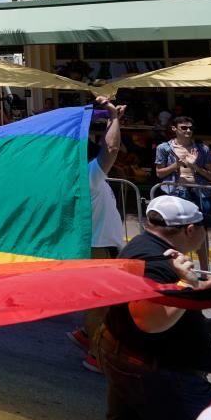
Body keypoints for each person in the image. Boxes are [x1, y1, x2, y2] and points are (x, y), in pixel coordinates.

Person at [83, 195, 211, 420]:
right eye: (204, 227)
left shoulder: (144, 245)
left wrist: (203, 325)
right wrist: (188, 284)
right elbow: (148, 320)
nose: (205, 233)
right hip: (158, 374)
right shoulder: (155, 261)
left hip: (134, 360)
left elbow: (158, 306)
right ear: (190, 229)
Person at [68, 96, 129, 372]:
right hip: (97, 246)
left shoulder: (75, 177)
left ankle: (84, 334)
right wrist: (114, 119)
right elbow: (112, 148)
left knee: (100, 299)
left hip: (95, 244)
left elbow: (109, 146)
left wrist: (114, 119)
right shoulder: (87, 177)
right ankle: (96, 353)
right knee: (101, 304)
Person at [157, 116, 211, 270]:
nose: (188, 130)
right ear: (174, 129)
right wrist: (176, 164)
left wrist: (194, 166)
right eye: (184, 128)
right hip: (176, 193)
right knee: (176, 232)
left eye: (190, 128)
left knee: (201, 233)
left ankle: (205, 272)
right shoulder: (164, 148)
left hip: (199, 192)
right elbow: (159, 173)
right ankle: (178, 270)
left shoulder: (202, 149)